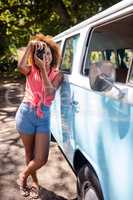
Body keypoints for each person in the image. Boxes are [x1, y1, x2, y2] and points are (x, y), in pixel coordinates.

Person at [15, 33, 63, 198]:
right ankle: (33, 182)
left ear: (53, 54)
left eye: (49, 53)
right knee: (29, 153)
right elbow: (20, 66)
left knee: (41, 158)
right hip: (25, 114)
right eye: (42, 54)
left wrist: (43, 68)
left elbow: (49, 94)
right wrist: (30, 46)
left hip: (43, 118)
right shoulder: (30, 70)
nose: (46, 57)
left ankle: (23, 175)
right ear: (36, 56)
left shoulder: (57, 74)